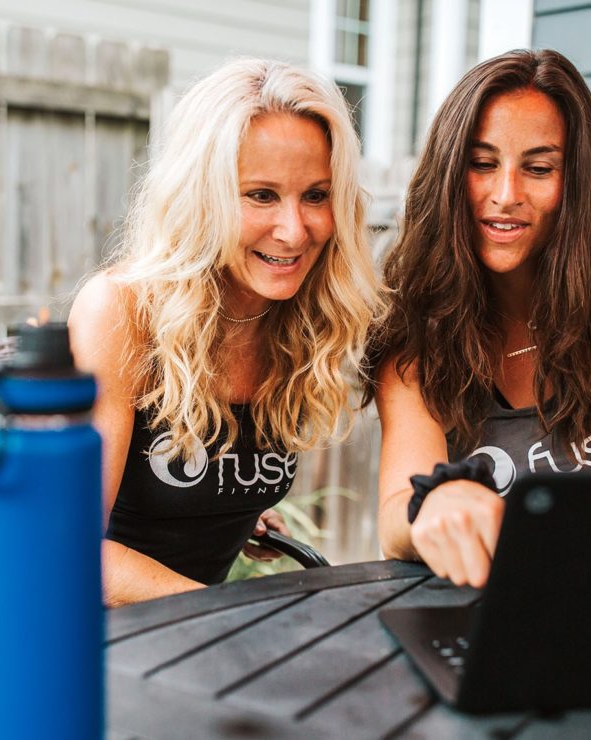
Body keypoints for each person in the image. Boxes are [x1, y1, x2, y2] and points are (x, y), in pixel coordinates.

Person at [363, 49, 591, 589]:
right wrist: (436, 500)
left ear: (574, 182)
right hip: (496, 621)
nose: (506, 195)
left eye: (538, 168)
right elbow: (397, 514)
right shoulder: (415, 330)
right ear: (446, 175)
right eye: (482, 163)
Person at [68, 58, 381, 606]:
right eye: (261, 195)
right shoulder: (120, 311)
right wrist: (227, 617)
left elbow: (186, 492)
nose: (293, 230)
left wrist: (236, 514)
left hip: (181, 632)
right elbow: (64, 550)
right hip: (48, 629)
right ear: (201, 195)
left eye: (315, 195)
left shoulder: (291, 317)